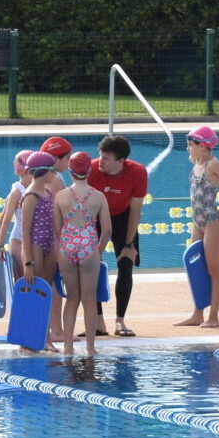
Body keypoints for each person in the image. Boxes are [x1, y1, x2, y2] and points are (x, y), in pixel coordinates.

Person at [176, 126, 219, 329]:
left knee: (213, 269)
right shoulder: (196, 162)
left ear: (202, 145)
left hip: (211, 221)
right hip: (198, 221)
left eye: (191, 145)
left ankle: (214, 317)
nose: (188, 149)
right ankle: (197, 314)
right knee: (197, 268)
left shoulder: (214, 164)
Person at [88, 134, 148, 337]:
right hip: (96, 217)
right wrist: (95, 246)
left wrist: (129, 244)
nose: (100, 161)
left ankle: (120, 321)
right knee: (91, 266)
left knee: (126, 264)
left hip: (123, 217)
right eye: (100, 155)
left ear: (121, 161)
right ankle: (98, 322)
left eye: (106, 158)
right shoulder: (91, 170)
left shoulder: (138, 172)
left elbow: (135, 210)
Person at [57, 152, 111, 358]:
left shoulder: (61, 196)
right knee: (89, 300)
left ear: (70, 172)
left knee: (71, 298)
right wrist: (97, 251)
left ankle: (68, 347)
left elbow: (57, 229)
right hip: (89, 247)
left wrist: (64, 246)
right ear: (89, 171)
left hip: (67, 247)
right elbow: (107, 230)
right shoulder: (98, 197)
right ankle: (90, 348)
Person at [18, 150, 63, 344]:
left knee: (46, 292)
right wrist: (28, 262)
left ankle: (45, 339)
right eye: (53, 170)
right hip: (34, 246)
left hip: (48, 245)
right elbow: (25, 231)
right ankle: (30, 338)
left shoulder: (48, 192)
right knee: (35, 294)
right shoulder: (30, 196)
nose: (55, 174)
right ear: (43, 171)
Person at [0, 150, 35, 294]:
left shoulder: (36, 188)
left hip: (33, 239)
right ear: (25, 171)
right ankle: (21, 304)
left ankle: (25, 304)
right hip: (18, 240)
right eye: (34, 170)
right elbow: (5, 219)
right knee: (23, 278)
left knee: (30, 278)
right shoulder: (16, 192)